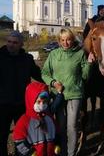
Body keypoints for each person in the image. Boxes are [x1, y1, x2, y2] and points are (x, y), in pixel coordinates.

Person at [42, 28, 93, 156]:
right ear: (59, 41)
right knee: (60, 125)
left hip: (74, 94)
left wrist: (89, 64)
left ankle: (71, 153)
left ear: (72, 40)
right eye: (63, 40)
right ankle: (61, 151)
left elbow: (85, 76)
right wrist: (53, 83)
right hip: (57, 95)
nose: (66, 43)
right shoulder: (53, 54)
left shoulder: (79, 54)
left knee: (72, 126)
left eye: (68, 39)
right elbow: (45, 73)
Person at [0, 30, 42, 156]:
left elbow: (39, 75)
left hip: (21, 104)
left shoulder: (27, 59)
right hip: (2, 104)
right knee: (2, 135)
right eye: (9, 42)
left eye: (15, 42)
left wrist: (53, 82)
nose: (11, 45)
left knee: (22, 135)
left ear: (21, 44)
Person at [13, 81, 64, 156]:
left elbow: (56, 133)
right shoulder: (24, 121)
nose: (42, 105)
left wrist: (57, 145)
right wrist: (30, 153)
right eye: (39, 102)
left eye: (44, 102)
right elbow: (19, 141)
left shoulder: (49, 118)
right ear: (31, 100)